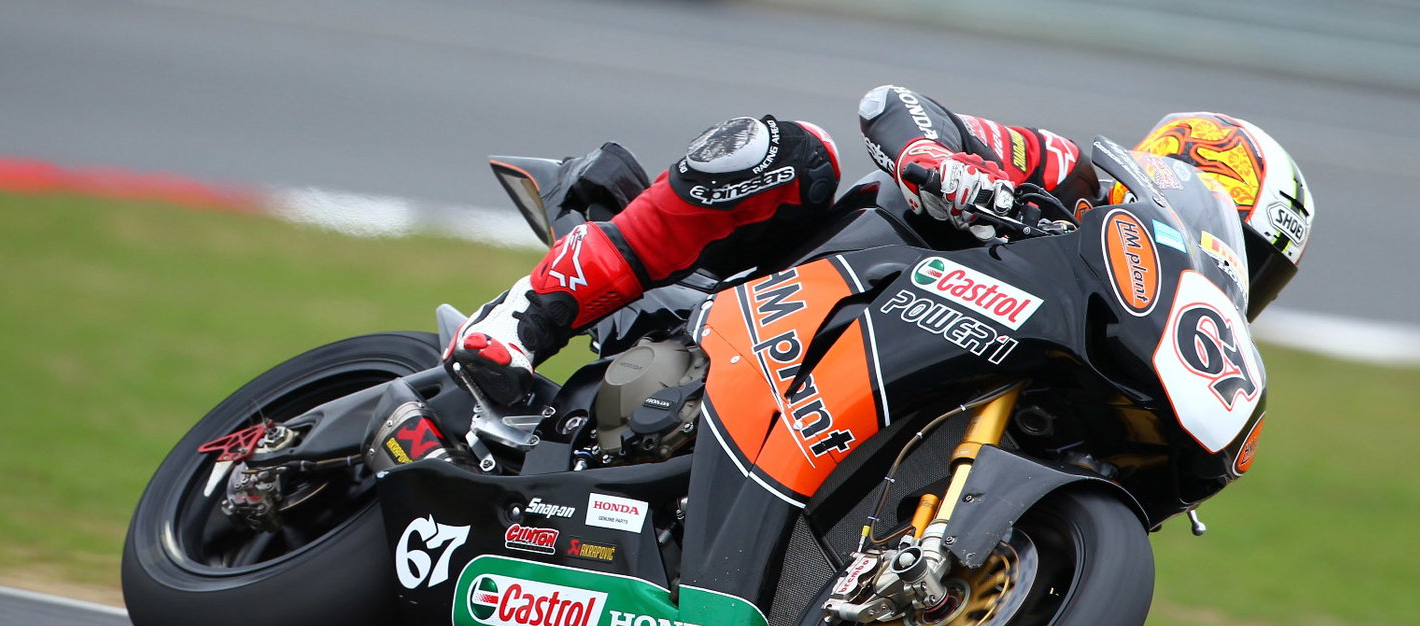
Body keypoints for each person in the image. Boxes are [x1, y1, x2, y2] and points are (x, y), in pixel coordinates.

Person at [444, 86, 1314, 406]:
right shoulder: (1068, 174)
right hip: (783, 289)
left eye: (1256, 272)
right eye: (1233, 245)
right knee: (788, 151)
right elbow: (898, 106)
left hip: (884, 377)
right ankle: (512, 328)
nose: (1226, 272)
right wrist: (944, 163)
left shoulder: (1126, 329)